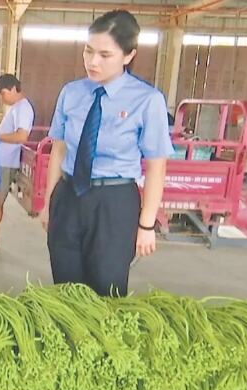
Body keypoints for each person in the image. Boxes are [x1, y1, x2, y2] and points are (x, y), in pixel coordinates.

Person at [39, 10, 173, 297]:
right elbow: (59, 149)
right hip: (69, 194)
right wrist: (50, 202)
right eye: (88, 51)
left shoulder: (147, 100)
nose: (92, 61)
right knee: (65, 285)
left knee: (106, 287)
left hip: (113, 202)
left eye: (104, 54)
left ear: (128, 55)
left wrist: (146, 224)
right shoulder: (72, 93)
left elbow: (156, 167)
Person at [0, 74, 35, 247]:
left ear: (14, 89)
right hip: (1, 161)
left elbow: (22, 136)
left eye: (3, 93)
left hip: (5, 163)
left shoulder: (24, 109)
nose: (2, 97)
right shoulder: (16, 107)